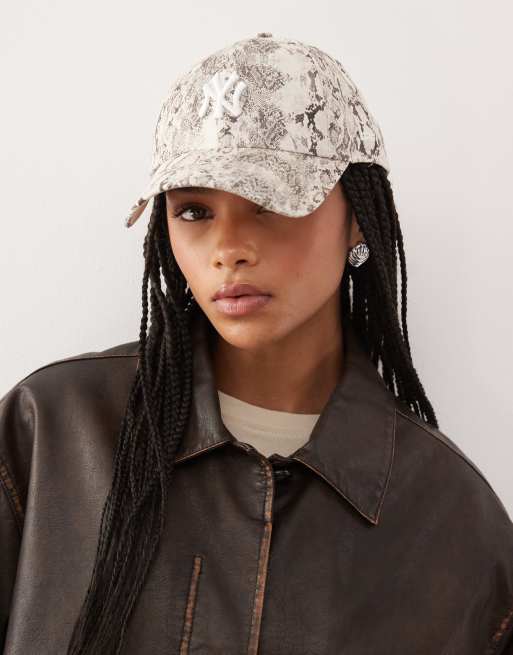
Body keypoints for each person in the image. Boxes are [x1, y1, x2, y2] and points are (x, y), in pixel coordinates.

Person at [1, 32, 512, 655]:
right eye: (194, 211)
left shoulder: (451, 519)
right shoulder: (49, 431)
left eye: (270, 200)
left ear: (357, 217)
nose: (228, 249)